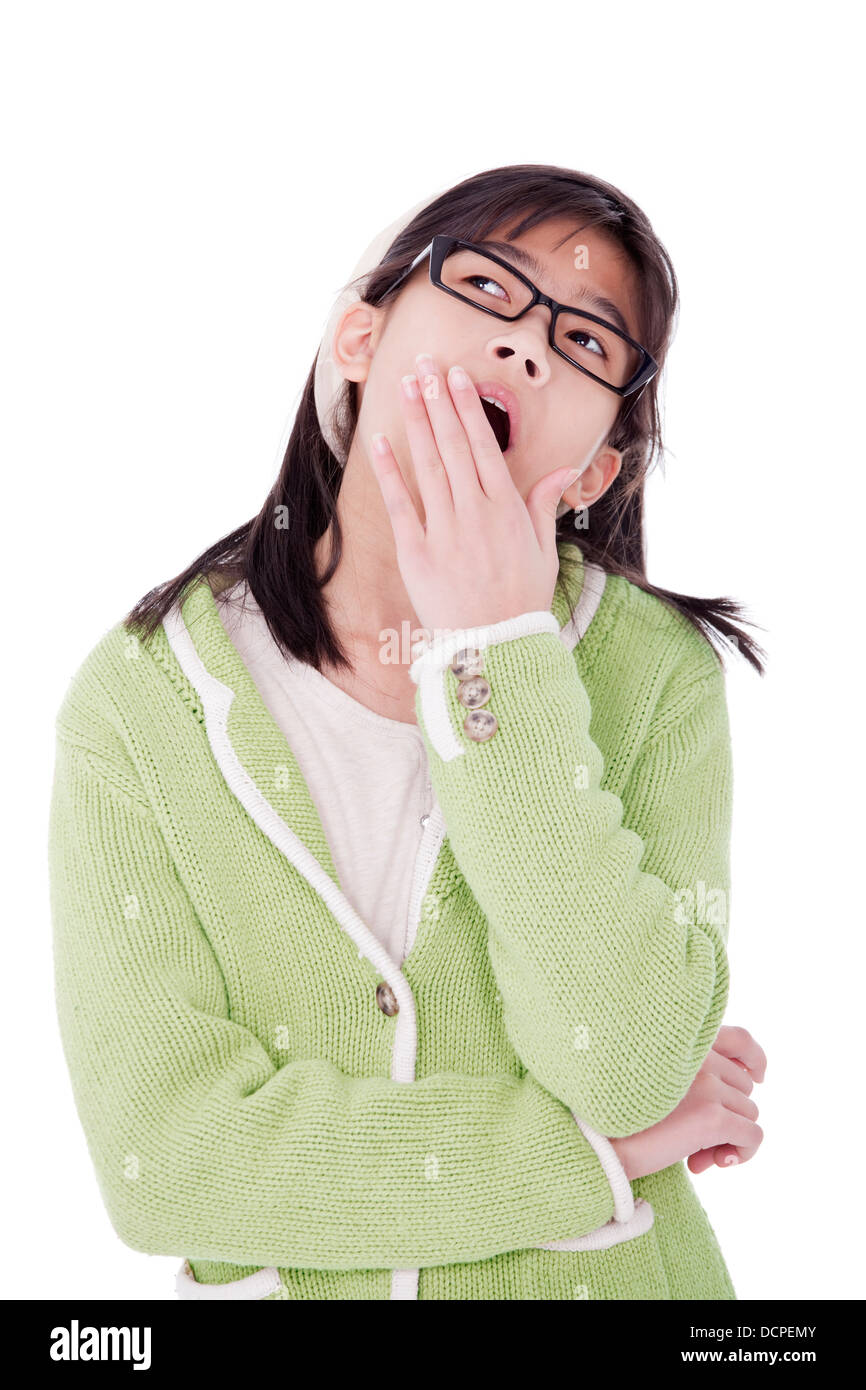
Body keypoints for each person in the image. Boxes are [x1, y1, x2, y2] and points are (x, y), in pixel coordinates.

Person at [48, 162, 767, 1301]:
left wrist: (492, 653)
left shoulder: (657, 679)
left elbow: (623, 1061)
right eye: (487, 285)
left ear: (595, 468)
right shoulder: (140, 703)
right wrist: (588, 1157)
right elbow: (167, 1164)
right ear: (358, 337)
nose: (528, 344)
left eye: (586, 344)